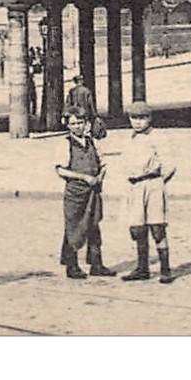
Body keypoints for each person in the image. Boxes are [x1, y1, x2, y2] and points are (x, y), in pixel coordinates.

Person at [118, 100, 176, 283]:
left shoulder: (158, 137)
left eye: (142, 118)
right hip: (134, 187)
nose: (138, 122)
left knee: (157, 227)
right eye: (134, 118)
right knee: (138, 227)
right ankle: (142, 267)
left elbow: (170, 165)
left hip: (153, 185)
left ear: (149, 118)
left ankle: (165, 269)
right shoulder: (129, 138)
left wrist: (157, 181)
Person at [55, 108, 114, 279]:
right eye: (73, 123)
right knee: (74, 227)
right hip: (75, 193)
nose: (77, 127)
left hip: (93, 192)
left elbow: (103, 164)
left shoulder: (93, 142)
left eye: (80, 123)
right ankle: (71, 266)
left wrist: (99, 177)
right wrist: (83, 177)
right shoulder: (65, 144)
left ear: (86, 123)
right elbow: (60, 170)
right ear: (68, 125)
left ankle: (96, 264)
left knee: (94, 225)